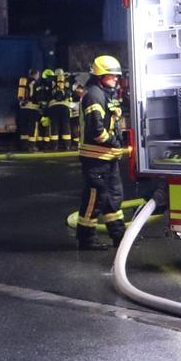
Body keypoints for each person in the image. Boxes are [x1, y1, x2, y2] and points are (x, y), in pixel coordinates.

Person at [75, 56, 130, 251]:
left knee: (113, 197)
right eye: (112, 76)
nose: (116, 79)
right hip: (95, 158)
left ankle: (118, 236)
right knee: (94, 199)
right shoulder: (94, 95)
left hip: (108, 158)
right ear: (100, 75)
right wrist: (114, 142)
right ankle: (86, 238)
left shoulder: (105, 94)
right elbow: (96, 130)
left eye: (117, 76)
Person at [15, 70, 43, 152]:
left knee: (23, 128)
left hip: (23, 108)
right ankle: (31, 146)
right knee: (32, 127)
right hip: (32, 108)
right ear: (36, 74)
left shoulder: (24, 82)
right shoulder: (36, 83)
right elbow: (37, 96)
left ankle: (23, 146)